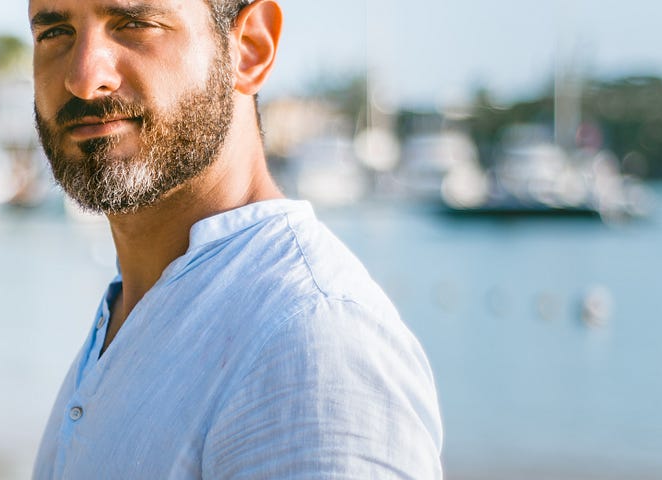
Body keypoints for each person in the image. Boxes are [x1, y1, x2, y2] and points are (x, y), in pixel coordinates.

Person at [27, 0, 442, 477]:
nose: (83, 77)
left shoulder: (310, 341)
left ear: (249, 49)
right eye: (55, 33)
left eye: (136, 24)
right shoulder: (130, 311)